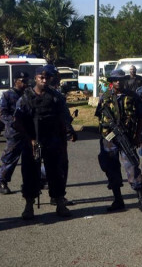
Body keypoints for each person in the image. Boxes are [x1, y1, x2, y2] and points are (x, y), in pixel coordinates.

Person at [14, 65, 77, 219]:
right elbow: (17, 121)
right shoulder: (25, 98)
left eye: (47, 77)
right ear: (35, 78)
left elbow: (64, 117)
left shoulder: (56, 97)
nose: (44, 80)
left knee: (56, 173)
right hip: (32, 141)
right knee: (29, 174)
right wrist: (30, 139)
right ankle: (29, 205)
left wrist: (68, 133)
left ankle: (60, 203)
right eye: (41, 77)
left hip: (52, 140)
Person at [96, 69, 142, 212]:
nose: (118, 82)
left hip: (127, 138)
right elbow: (99, 117)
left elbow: (140, 117)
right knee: (111, 167)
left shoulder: (133, 96)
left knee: (132, 166)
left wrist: (138, 135)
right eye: (115, 79)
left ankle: (141, 199)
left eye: (120, 79)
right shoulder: (105, 97)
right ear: (111, 81)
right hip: (109, 139)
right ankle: (118, 200)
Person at [0, 72, 30, 195]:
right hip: (14, 132)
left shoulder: (29, 94)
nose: (25, 83)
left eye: (26, 81)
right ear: (16, 81)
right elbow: (2, 113)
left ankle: (34, 182)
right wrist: (14, 121)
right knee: (10, 159)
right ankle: (2, 181)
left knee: (33, 158)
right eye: (22, 81)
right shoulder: (8, 95)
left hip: (28, 132)